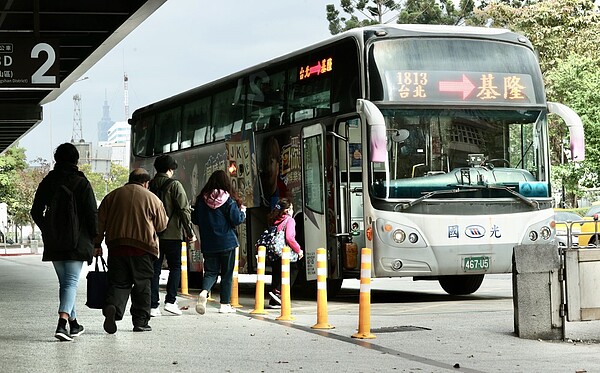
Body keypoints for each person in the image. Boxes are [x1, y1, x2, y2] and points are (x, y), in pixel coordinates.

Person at [30, 143, 98, 341]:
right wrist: (95, 239)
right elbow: (92, 214)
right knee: (70, 283)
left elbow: (35, 211)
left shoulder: (48, 181)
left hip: (55, 241)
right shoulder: (81, 182)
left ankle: (74, 324)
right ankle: (62, 324)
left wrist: (48, 229)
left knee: (66, 284)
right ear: (76, 160)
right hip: (78, 241)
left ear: (56, 159)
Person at [94, 168, 168, 334]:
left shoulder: (112, 196)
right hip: (143, 249)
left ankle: (113, 307)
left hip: (116, 248)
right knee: (142, 285)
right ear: (146, 183)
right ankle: (140, 321)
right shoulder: (153, 199)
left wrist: (97, 244)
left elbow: (99, 223)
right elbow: (162, 226)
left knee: (119, 283)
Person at [192, 170, 246, 314]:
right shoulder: (228, 199)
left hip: (209, 243)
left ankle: (204, 292)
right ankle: (225, 305)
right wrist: (243, 213)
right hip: (227, 242)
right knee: (227, 273)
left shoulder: (202, 200)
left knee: (210, 272)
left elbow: (195, 219)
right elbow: (236, 219)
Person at [149, 155, 195, 317]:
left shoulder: (150, 185)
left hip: (153, 235)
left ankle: (153, 306)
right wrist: (189, 232)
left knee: (154, 270)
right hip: (173, 234)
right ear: (170, 169)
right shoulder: (175, 185)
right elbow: (183, 209)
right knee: (175, 267)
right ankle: (170, 301)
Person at [266, 198, 303, 308]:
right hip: (284, 252)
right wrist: (298, 250)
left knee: (277, 273)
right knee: (294, 268)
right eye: (291, 208)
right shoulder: (289, 220)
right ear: (287, 210)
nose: (293, 211)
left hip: (275, 252)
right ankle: (278, 291)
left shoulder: (275, 219)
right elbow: (289, 238)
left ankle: (274, 301)